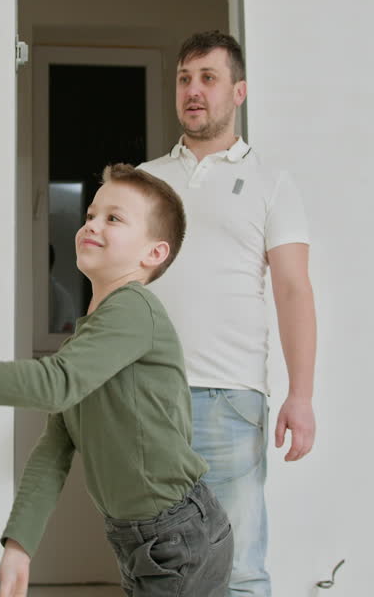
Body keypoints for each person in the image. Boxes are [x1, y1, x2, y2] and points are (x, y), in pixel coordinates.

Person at [0, 164, 234, 597]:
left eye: (114, 218)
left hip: (177, 537)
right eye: (90, 215)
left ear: (153, 254)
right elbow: (54, 448)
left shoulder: (135, 309)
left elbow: (56, 383)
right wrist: (19, 545)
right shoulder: (92, 337)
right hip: (140, 538)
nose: (92, 225)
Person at [140, 31, 318, 597]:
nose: (194, 91)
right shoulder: (144, 182)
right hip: (148, 400)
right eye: (184, 79)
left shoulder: (271, 184)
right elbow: (115, 288)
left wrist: (301, 395)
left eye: (208, 78)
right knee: (159, 573)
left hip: (230, 402)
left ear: (238, 92)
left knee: (237, 571)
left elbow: (293, 290)